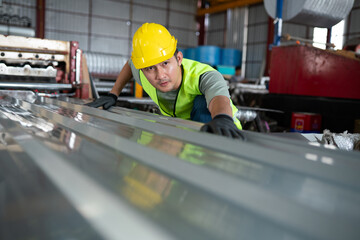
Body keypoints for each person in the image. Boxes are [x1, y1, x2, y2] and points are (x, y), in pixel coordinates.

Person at [86, 23, 244, 139]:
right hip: (181, 133)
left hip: (222, 131)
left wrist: (222, 118)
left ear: (179, 58)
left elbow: (218, 98)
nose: (160, 75)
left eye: (165, 63)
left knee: (202, 103)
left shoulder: (203, 75)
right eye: (150, 68)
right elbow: (130, 64)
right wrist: (113, 94)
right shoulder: (143, 71)